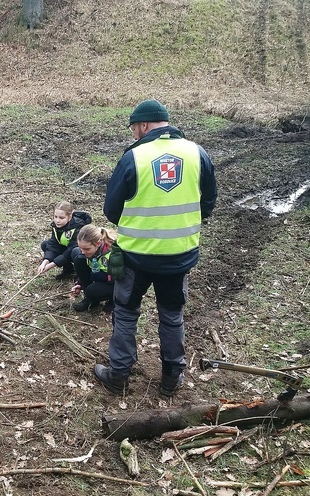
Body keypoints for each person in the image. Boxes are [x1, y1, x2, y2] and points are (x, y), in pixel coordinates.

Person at [93, 99, 217, 397]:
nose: (134, 133)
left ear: (144, 125)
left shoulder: (133, 157)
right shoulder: (197, 153)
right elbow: (208, 203)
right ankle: (172, 379)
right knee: (172, 315)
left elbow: (111, 210)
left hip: (137, 256)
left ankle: (118, 375)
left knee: (125, 312)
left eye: (134, 127)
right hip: (179, 256)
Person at [38, 201, 92, 280]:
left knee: (75, 252)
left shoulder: (78, 227)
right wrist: (46, 261)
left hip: (80, 252)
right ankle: (68, 270)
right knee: (45, 244)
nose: (57, 220)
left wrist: (53, 264)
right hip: (67, 249)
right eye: (55, 217)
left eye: (61, 218)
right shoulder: (55, 226)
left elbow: (71, 250)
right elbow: (53, 244)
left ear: (69, 217)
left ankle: (80, 274)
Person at [71, 224, 117, 312]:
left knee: (92, 291)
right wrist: (80, 283)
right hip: (99, 274)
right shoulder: (88, 251)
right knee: (77, 256)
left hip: (115, 283)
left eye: (87, 249)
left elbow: (121, 278)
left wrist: (102, 276)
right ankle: (90, 300)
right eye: (81, 248)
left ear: (98, 243)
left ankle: (114, 300)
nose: (83, 252)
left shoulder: (113, 254)